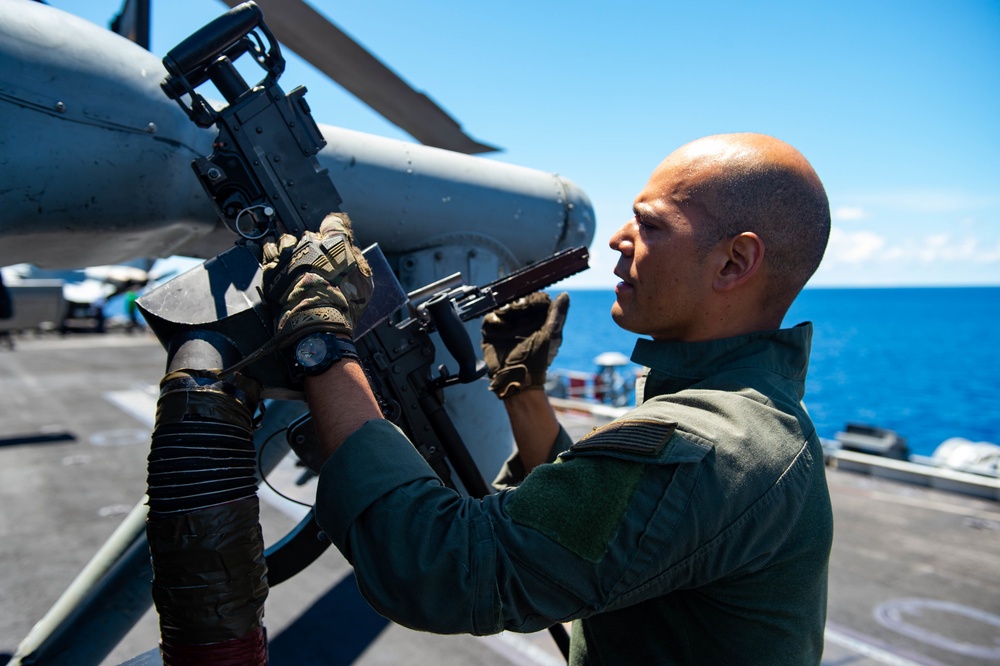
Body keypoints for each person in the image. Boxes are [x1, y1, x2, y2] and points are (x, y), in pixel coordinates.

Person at [260, 132, 834, 665]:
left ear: (734, 262)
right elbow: (593, 534)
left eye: (651, 225)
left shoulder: (711, 444)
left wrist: (321, 341)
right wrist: (524, 392)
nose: (618, 238)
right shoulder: (734, 408)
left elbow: (439, 566)